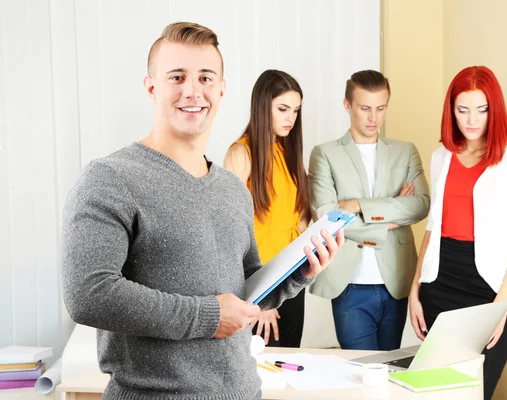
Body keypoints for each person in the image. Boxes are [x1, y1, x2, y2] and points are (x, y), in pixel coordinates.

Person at [60, 22, 343, 400]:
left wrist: (298, 272)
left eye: (206, 78)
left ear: (222, 90)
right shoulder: (110, 179)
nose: (193, 91)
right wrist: (208, 317)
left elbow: (242, 293)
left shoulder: (231, 189)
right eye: (176, 76)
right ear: (151, 87)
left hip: (244, 392)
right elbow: (89, 295)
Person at [408, 66, 507, 400]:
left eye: (482, 110)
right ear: (451, 110)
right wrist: (415, 288)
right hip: (439, 285)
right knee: (432, 393)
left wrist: (501, 308)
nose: (471, 120)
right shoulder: (442, 157)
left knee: (473, 393)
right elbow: (432, 228)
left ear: (494, 109)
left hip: (490, 292)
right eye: (462, 110)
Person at [308, 70, 430, 351]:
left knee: (387, 371)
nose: (373, 118)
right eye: (364, 108)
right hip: (348, 284)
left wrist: (359, 206)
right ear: (347, 105)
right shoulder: (325, 154)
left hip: (396, 280)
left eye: (381, 108)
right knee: (360, 372)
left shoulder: (405, 151)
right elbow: (327, 216)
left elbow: (421, 204)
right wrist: (389, 220)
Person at [224, 70, 310, 347]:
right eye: (283, 109)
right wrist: (264, 298)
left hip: (293, 280)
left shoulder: (287, 154)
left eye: (295, 111)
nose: (290, 118)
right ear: (263, 106)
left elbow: (297, 222)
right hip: (259, 286)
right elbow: (232, 234)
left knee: (288, 369)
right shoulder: (242, 153)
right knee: (259, 376)